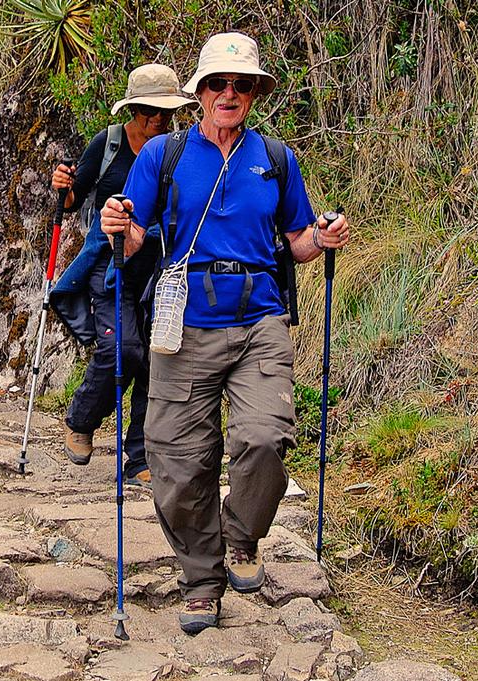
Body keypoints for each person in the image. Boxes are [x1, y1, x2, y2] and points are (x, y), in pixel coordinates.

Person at [100, 33, 351, 634]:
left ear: (255, 93)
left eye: (241, 85)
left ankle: (241, 538)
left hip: (260, 318)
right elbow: (132, 239)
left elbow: (296, 241)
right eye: (218, 84)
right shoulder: (163, 155)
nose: (229, 94)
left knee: (264, 440)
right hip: (184, 325)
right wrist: (116, 225)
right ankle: (200, 579)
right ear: (200, 93)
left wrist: (324, 235)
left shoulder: (276, 158)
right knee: (177, 464)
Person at [49, 64, 195, 488]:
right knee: (125, 350)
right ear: (133, 109)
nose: (159, 119)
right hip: (109, 267)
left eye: (166, 112)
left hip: (162, 270)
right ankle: (81, 419)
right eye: (150, 110)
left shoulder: (179, 149)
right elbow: (76, 199)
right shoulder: (109, 143)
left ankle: (138, 458)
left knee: (156, 360)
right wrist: (64, 186)